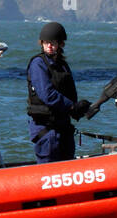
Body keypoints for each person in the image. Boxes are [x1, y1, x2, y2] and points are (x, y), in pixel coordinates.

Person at [25, 21, 90, 163]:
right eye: (47, 42)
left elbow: (70, 93)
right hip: (47, 131)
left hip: (64, 129)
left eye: (53, 42)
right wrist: (71, 106)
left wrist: (79, 108)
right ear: (42, 43)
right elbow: (47, 94)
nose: (49, 46)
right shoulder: (38, 64)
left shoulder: (63, 65)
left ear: (60, 44)